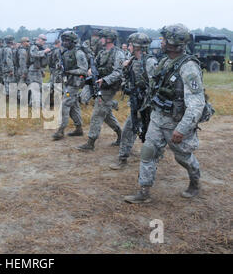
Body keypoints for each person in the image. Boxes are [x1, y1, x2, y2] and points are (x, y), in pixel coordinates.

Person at [124, 24, 207, 204]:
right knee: (148, 152)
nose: (160, 42)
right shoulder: (164, 61)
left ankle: (195, 181)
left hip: (175, 123)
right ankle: (144, 191)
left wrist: (182, 129)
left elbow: (196, 104)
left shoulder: (189, 67)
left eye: (163, 39)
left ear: (173, 43)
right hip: (157, 118)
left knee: (183, 157)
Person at [111, 33, 158, 170]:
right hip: (135, 103)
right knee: (128, 130)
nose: (128, 47)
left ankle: (153, 159)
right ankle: (123, 158)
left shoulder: (150, 62)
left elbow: (155, 85)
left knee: (151, 134)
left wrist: (146, 103)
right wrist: (125, 67)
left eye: (131, 45)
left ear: (137, 46)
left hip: (148, 106)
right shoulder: (131, 60)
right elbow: (126, 81)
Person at [77, 29, 124, 151]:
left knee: (97, 114)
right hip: (100, 85)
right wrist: (90, 70)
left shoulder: (118, 53)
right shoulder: (102, 52)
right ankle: (121, 135)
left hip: (109, 87)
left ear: (109, 39)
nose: (100, 39)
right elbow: (95, 65)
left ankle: (90, 142)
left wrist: (105, 79)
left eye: (102, 37)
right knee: (106, 114)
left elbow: (118, 72)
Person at [52, 31, 88, 141]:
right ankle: (79, 128)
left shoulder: (79, 53)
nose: (64, 43)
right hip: (69, 82)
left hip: (75, 83)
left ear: (73, 41)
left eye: (67, 41)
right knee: (74, 106)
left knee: (65, 104)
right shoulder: (66, 52)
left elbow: (83, 70)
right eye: (63, 40)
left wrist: (69, 71)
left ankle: (60, 130)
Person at [28, 34, 51, 105]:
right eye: (43, 40)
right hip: (33, 70)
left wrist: (42, 71)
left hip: (38, 69)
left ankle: (33, 103)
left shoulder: (40, 47)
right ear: (39, 39)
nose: (44, 42)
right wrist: (44, 51)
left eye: (45, 40)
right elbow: (34, 54)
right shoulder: (34, 47)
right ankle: (37, 104)